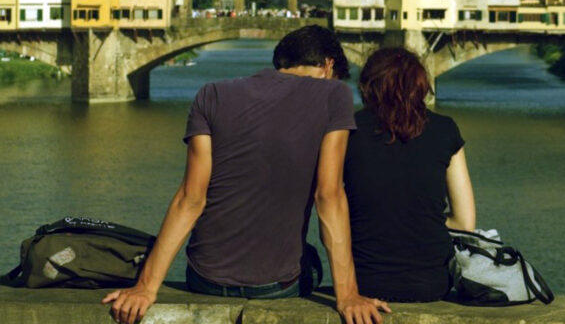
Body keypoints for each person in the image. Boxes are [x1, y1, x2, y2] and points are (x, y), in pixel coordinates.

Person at [102, 25, 391, 324]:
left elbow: (190, 198)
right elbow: (328, 196)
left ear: (280, 62)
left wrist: (145, 288)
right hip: (275, 287)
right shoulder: (334, 94)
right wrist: (348, 296)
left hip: (204, 278)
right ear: (329, 65)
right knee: (310, 261)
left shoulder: (210, 94)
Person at [343, 47, 476, 302]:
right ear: (420, 85)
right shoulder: (445, 129)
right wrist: (420, 217)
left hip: (364, 281)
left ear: (367, 86)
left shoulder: (347, 131)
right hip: (433, 282)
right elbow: (464, 223)